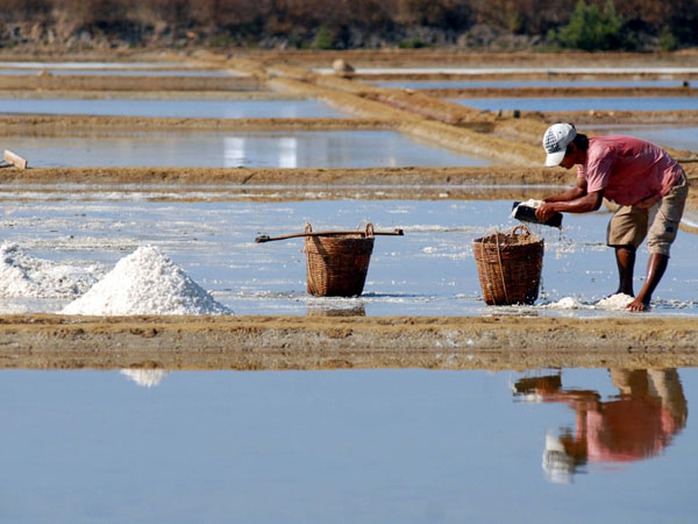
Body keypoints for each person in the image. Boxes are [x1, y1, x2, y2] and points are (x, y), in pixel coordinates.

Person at [535, 123, 689, 311]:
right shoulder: (583, 157)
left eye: (561, 157)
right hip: (639, 190)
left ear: (573, 147)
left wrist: (555, 207)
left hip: (666, 184)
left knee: (659, 239)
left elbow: (593, 202)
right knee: (620, 230)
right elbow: (580, 190)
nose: (560, 163)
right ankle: (625, 292)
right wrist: (545, 202)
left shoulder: (598, 154)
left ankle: (643, 298)